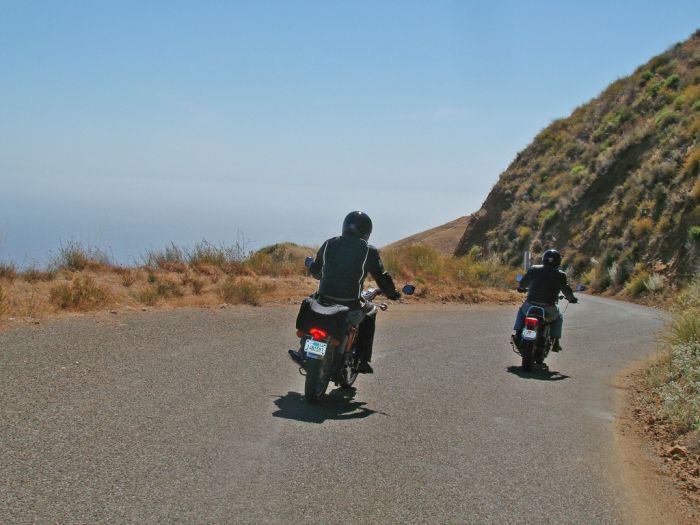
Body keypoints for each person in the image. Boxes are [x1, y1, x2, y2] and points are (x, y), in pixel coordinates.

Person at [307, 211, 400, 373]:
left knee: (311, 305)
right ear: (367, 232)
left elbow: (316, 272)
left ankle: (305, 351)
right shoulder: (368, 251)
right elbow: (381, 277)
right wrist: (392, 294)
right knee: (371, 311)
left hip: (324, 298)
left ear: (345, 226)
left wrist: (314, 268)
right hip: (350, 302)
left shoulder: (329, 244)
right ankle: (362, 360)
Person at [512, 249, 578, 352]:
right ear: (558, 261)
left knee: (521, 311)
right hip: (549, 308)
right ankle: (555, 341)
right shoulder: (560, 275)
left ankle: (518, 333)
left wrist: (521, 288)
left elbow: (523, 283)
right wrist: (571, 299)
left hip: (530, 305)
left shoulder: (534, 269)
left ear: (544, 259)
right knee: (558, 317)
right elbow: (566, 290)